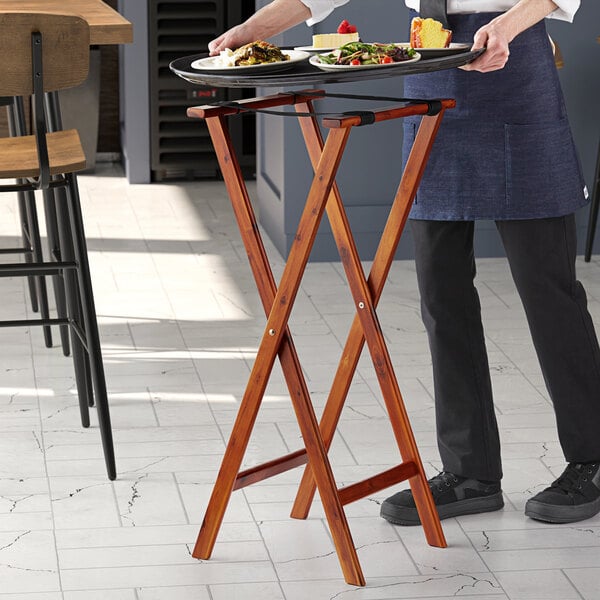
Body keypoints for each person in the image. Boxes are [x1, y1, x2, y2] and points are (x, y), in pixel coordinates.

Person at [209, 0, 600, 525]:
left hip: (514, 66)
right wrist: (250, 32)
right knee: (441, 294)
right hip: (430, 69)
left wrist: (506, 26)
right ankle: (471, 472)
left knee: (548, 291)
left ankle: (592, 459)